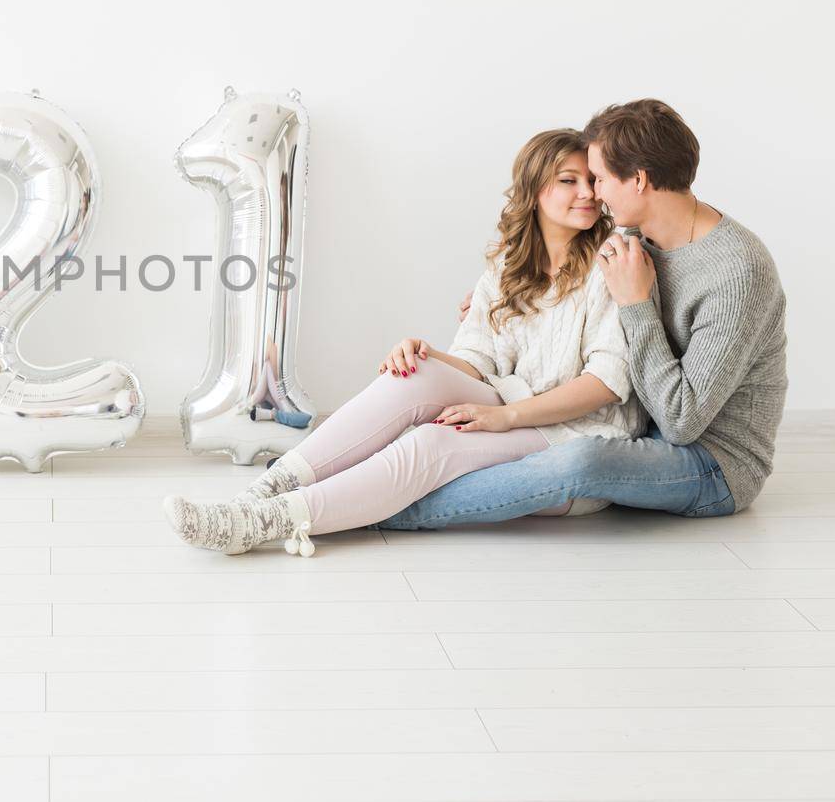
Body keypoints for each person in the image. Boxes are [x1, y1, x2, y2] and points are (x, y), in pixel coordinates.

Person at [163, 128, 647, 556]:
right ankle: (259, 494)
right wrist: (427, 354)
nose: (587, 193)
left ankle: (262, 523)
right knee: (412, 372)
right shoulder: (509, 265)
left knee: (434, 442)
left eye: (592, 181)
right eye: (569, 180)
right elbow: (477, 361)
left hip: (578, 430)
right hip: (512, 397)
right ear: (535, 189)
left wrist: (505, 417)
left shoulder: (611, 262)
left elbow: (607, 382)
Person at [370, 99, 787, 532]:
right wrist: (509, 299)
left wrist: (636, 305)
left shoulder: (737, 270)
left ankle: (382, 510)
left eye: (601, 179)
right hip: (637, 430)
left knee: (581, 458)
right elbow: (569, 288)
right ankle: (361, 485)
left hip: (711, 462)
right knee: (452, 428)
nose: (595, 194)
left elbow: (682, 422)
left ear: (639, 180)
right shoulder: (633, 237)